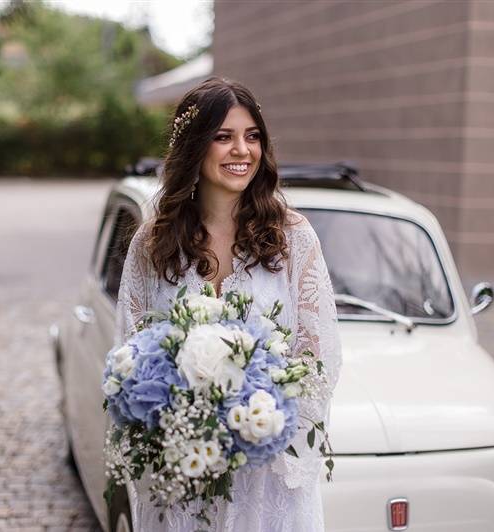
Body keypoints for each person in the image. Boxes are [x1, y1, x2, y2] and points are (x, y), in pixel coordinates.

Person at [113, 76, 342, 531]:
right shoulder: (153, 243)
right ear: (194, 148)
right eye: (224, 137)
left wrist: (254, 427)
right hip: (183, 476)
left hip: (267, 481)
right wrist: (185, 428)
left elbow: (320, 359)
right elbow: (129, 353)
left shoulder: (292, 240)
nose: (242, 150)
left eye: (252, 136)